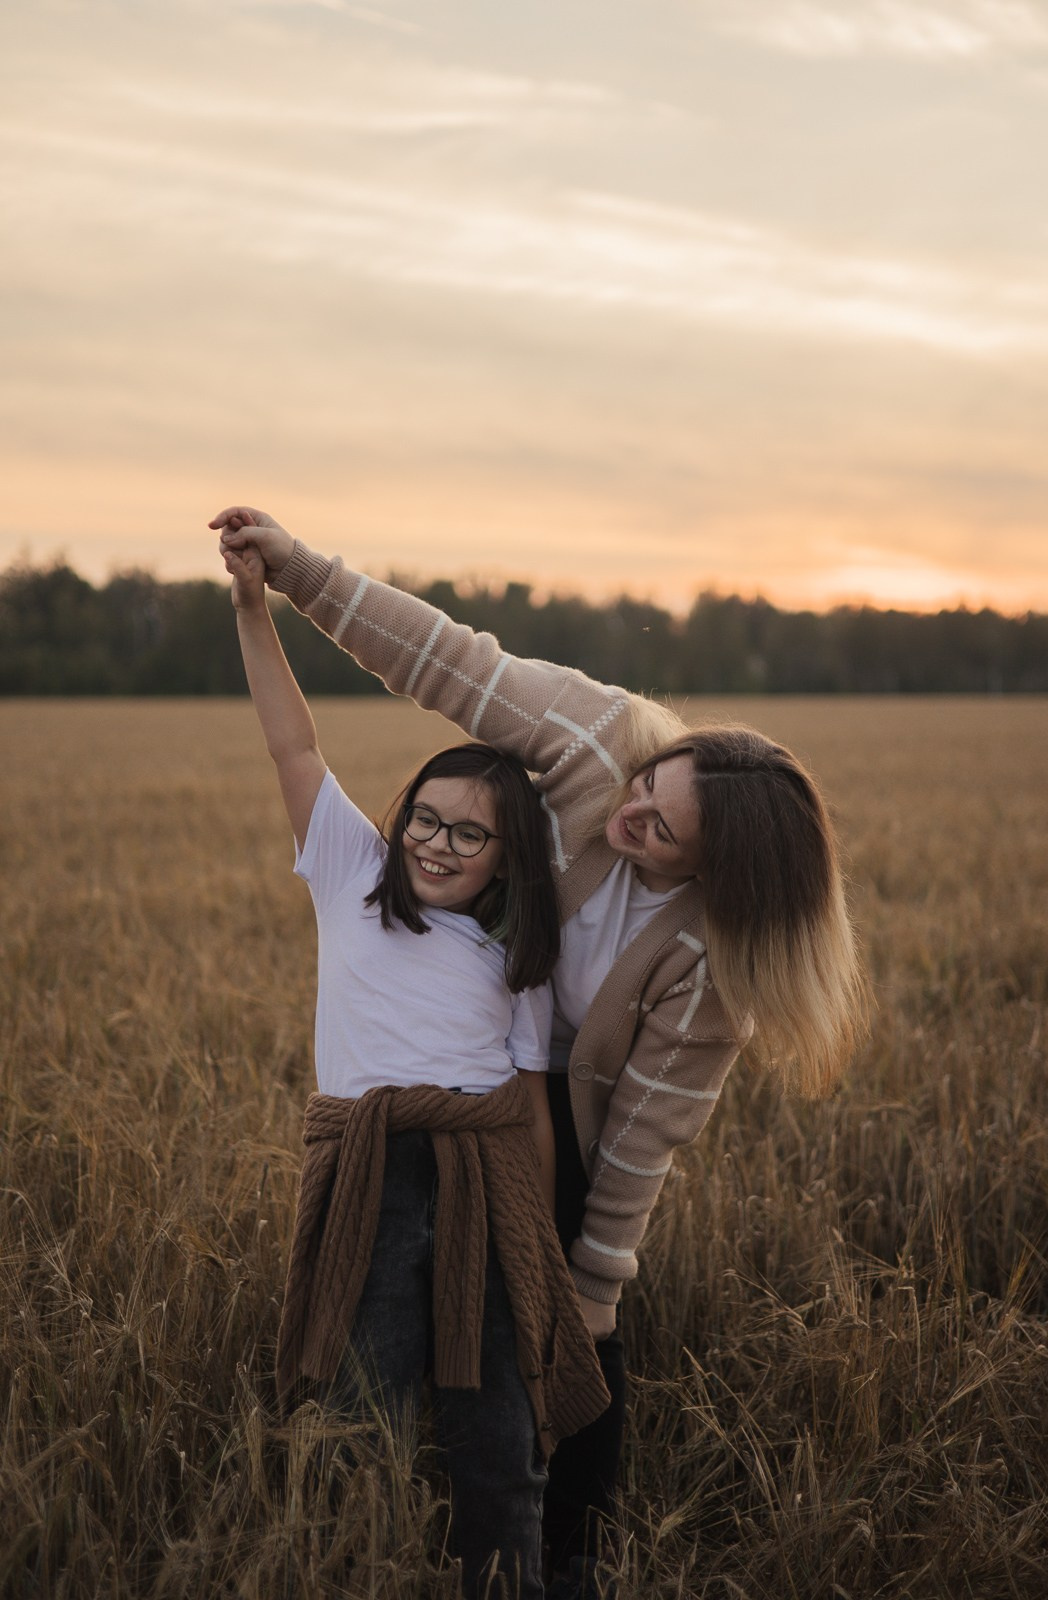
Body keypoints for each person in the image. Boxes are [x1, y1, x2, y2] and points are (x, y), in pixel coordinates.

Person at [213, 506, 869, 1598]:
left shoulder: (710, 966)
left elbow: (636, 1142)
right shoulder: (589, 743)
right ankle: (367, 1523)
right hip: (437, 1079)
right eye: (647, 786)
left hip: (541, 1111)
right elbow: (443, 660)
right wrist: (293, 575)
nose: (630, 815)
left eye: (661, 830)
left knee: (558, 1337)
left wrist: (588, 1289)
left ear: (716, 878)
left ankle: (559, 1550)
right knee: (378, 1338)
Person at [220, 533, 610, 1600]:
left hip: (483, 1179)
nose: (436, 843)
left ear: (505, 858)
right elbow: (293, 748)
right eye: (424, 820)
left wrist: (537, 1239)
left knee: (496, 1415)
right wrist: (259, 611)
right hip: (367, 1169)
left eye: (468, 836)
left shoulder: (514, 955)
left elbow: (527, 1101)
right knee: (358, 1399)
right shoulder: (348, 873)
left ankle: (512, 1576)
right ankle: (353, 1566)